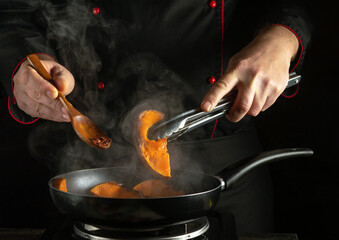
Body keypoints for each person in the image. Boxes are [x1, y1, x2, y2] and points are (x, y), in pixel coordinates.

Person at [0, 0, 314, 233]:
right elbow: (13, 12)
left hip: (222, 172)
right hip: (85, 171)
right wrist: (26, 61)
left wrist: (281, 39)